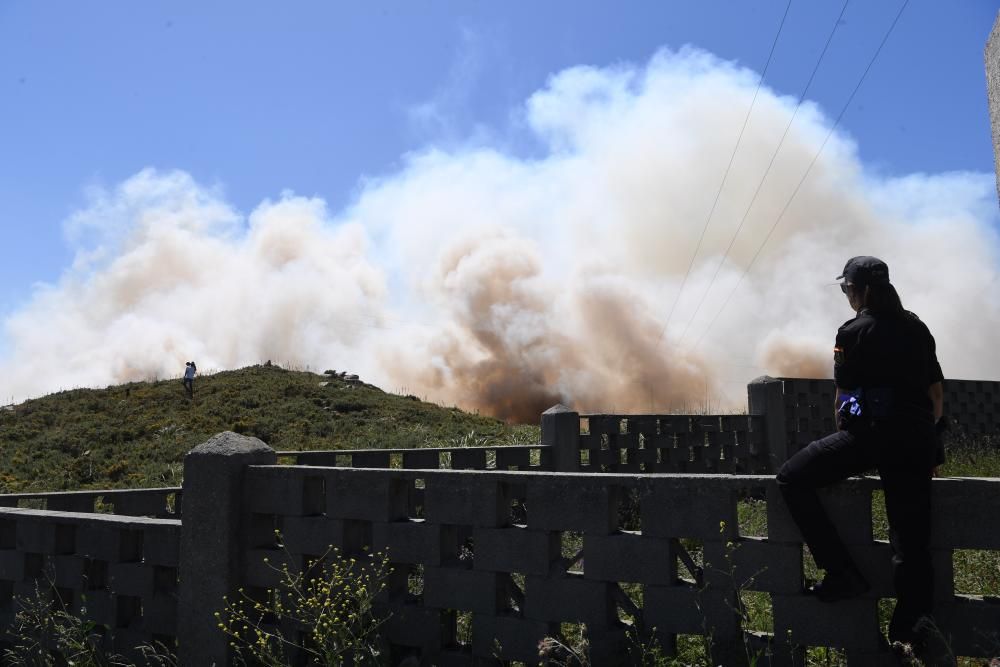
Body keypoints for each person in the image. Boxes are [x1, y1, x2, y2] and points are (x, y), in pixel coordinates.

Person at [776, 256, 945, 649]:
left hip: (873, 435)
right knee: (911, 540)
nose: (846, 295)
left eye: (846, 288)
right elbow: (936, 394)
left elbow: (846, 399)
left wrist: (848, 438)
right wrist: (930, 444)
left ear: (863, 290)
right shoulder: (917, 327)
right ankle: (913, 631)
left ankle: (841, 573)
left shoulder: (852, 332)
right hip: (917, 442)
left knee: (791, 477)